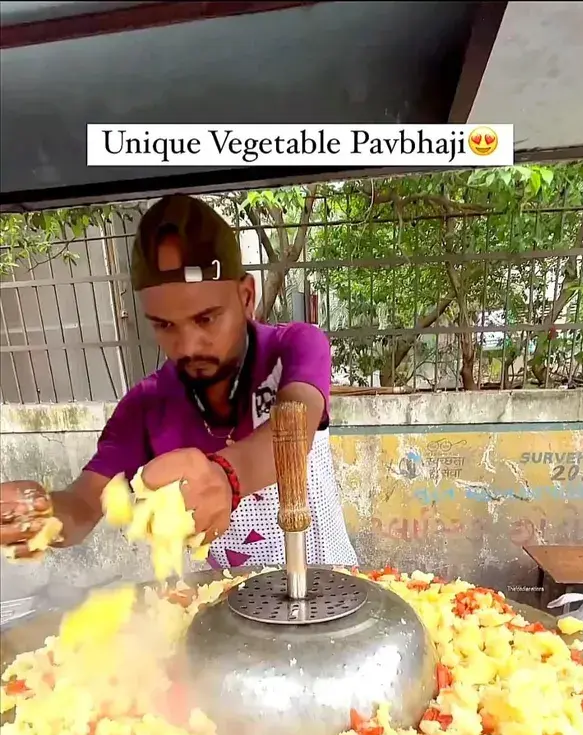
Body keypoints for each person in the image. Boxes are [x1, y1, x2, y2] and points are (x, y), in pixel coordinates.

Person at [0, 194, 357, 571]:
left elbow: (295, 424)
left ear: (246, 296)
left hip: (335, 591)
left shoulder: (293, 349)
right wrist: (40, 515)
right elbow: (85, 502)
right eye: (165, 325)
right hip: (231, 606)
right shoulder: (146, 407)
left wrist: (225, 477)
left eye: (206, 319)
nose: (187, 347)